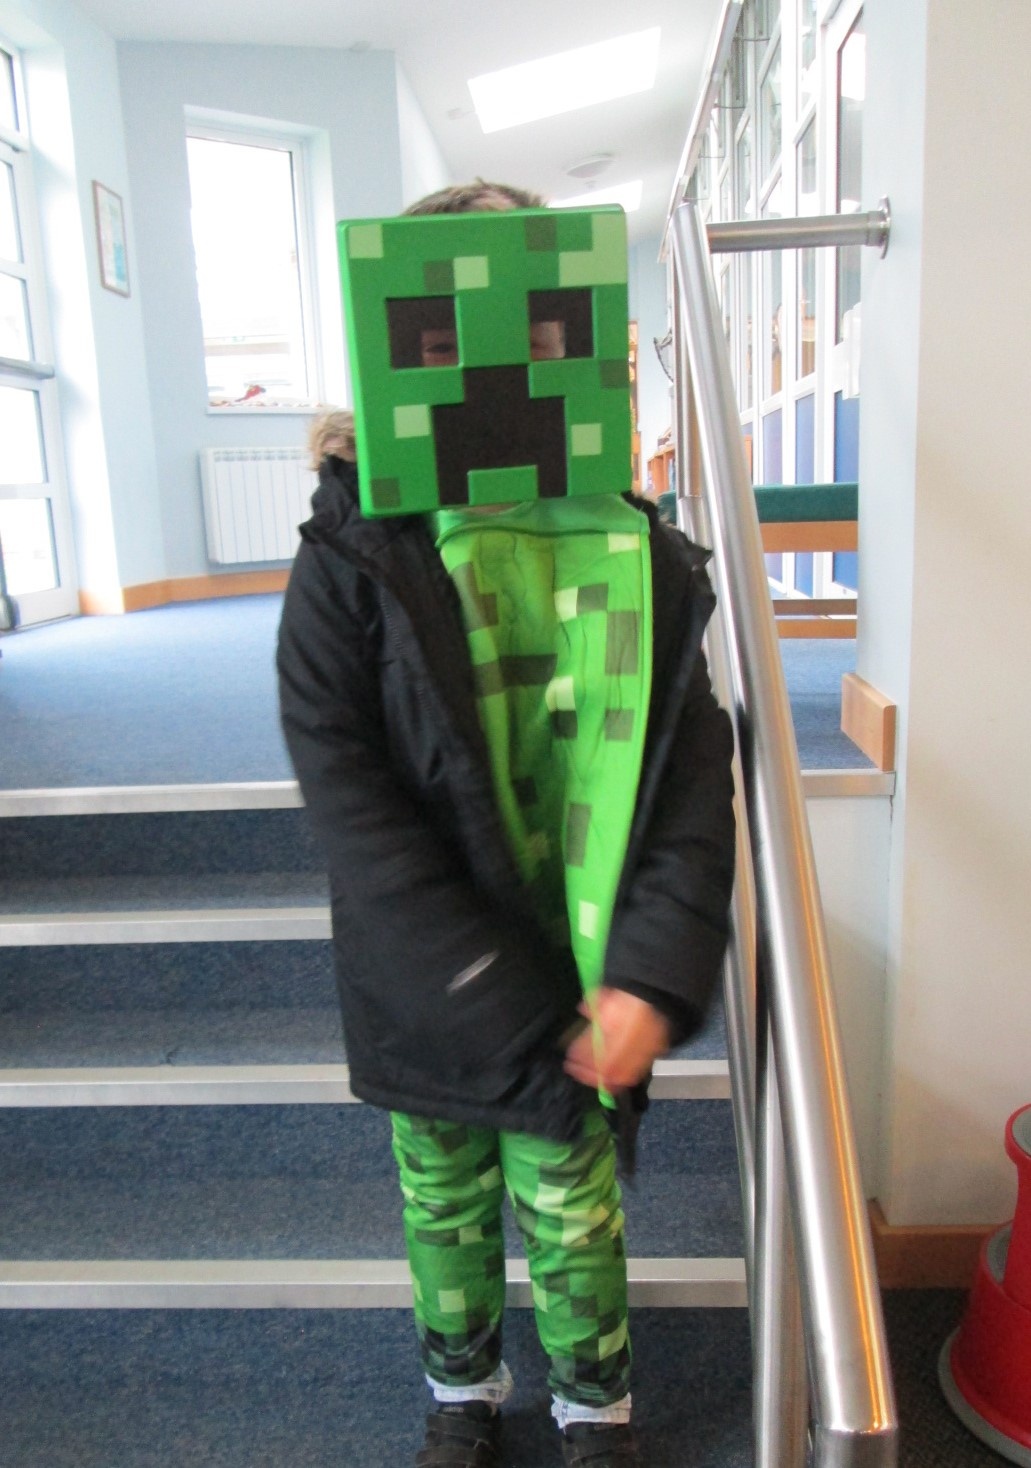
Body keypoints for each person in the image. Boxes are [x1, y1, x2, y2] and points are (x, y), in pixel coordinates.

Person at [277, 181, 736, 1468]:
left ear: (576, 354)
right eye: (441, 343)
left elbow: (690, 781)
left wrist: (653, 967)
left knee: (574, 1209)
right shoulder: (355, 550)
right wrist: (478, 983)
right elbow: (345, 786)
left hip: (584, 971)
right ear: (391, 360)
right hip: (426, 974)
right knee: (441, 1197)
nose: (489, 372)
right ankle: (461, 1391)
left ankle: (594, 1406)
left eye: (532, 340)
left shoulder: (644, 557)